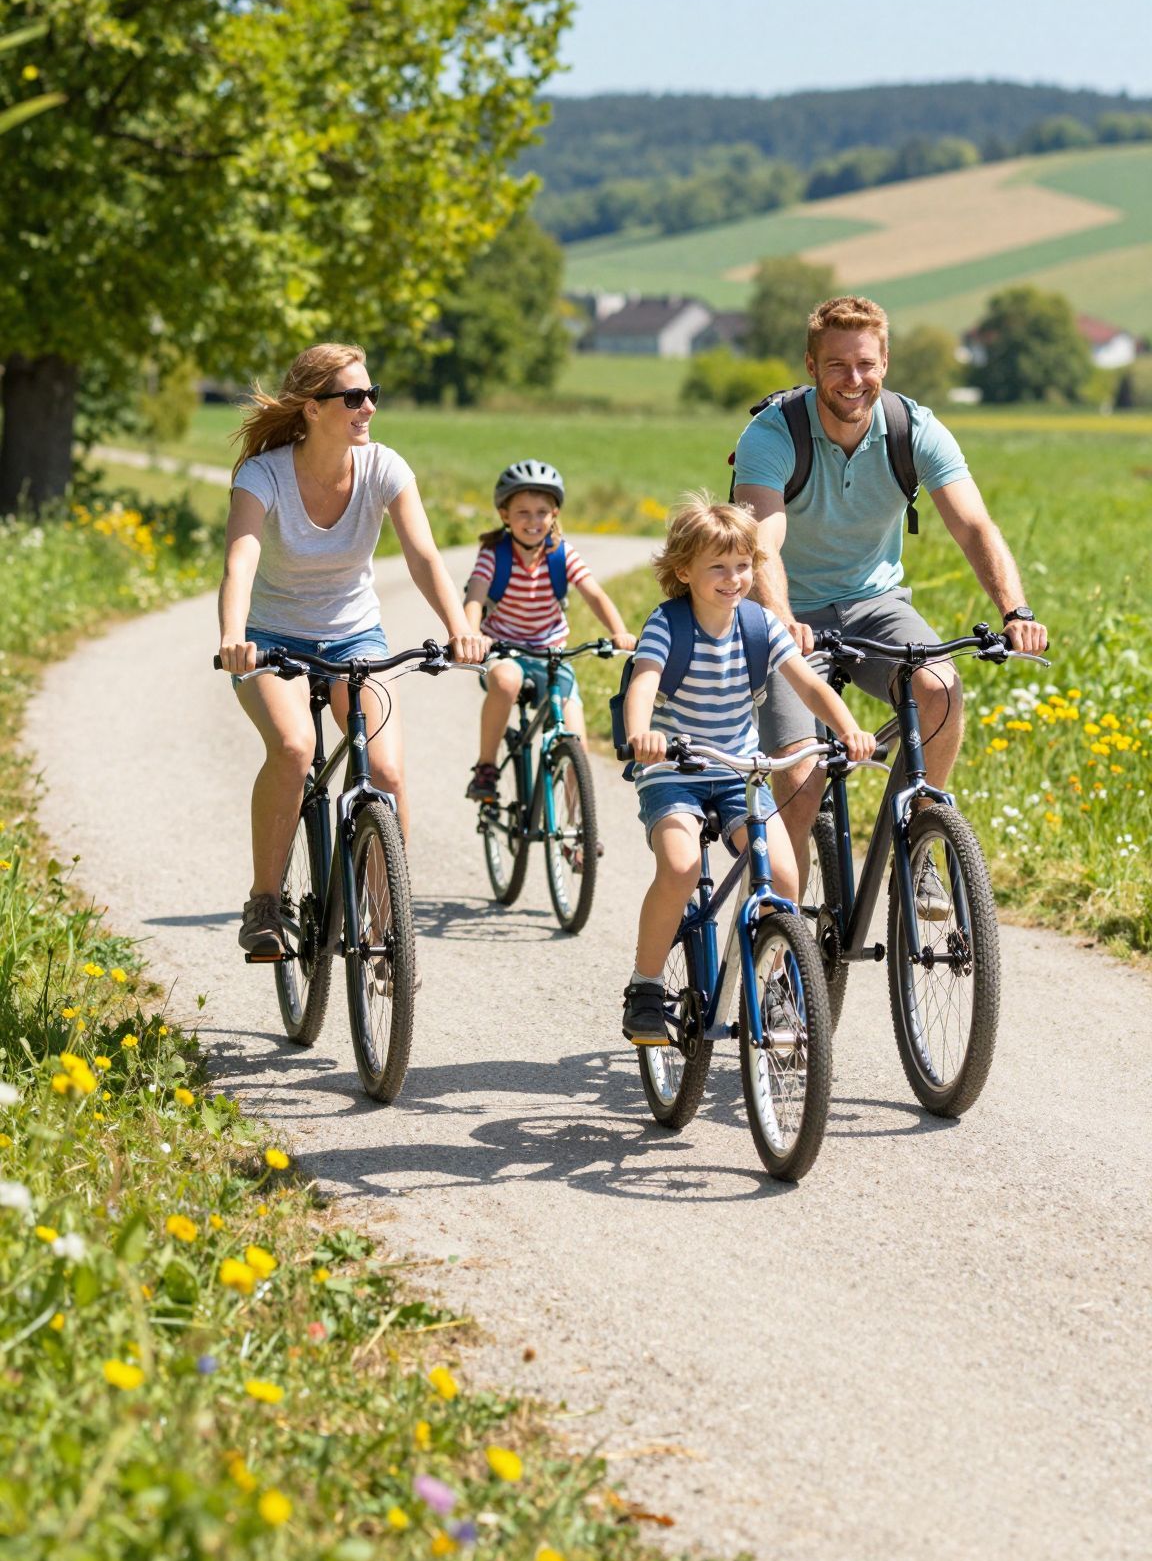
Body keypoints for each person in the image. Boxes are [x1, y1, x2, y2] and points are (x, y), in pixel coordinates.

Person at [732, 294, 1049, 909]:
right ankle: (777, 951)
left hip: (874, 605)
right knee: (799, 780)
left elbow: (974, 527)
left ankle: (920, 840)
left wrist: (1016, 611)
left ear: (885, 363)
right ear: (811, 366)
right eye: (837, 366)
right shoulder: (772, 435)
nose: (854, 380)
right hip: (786, 612)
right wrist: (783, 621)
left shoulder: (913, 429)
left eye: (866, 364)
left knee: (941, 686)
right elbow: (762, 545)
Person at [217, 342, 486, 958]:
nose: (368, 407)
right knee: (293, 748)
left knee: (385, 772)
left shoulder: (385, 466)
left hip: (355, 637)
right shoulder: (264, 475)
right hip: (271, 640)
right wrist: (234, 635)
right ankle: (265, 903)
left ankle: (389, 928)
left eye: (373, 395)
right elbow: (242, 558)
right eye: (354, 397)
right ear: (312, 409)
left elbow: (422, 555)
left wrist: (456, 625)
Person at [620, 495, 875, 1048]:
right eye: (718, 567)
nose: (733, 578)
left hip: (741, 769)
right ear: (684, 571)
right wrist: (643, 734)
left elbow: (807, 683)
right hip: (676, 768)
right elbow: (643, 681)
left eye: (743, 566)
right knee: (682, 864)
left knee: (783, 877)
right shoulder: (668, 624)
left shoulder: (760, 626)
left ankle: (776, 988)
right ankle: (644, 985)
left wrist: (849, 728)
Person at [462, 459, 635, 804]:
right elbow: (475, 597)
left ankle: (577, 836)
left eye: (541, 511)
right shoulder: (494, 554)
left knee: (577, 743)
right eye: (522, 512)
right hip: (503, 650)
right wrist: (470, 635)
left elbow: (594, 594)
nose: (533, 520)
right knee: (507, 682)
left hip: (551, 652)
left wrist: (620, 631)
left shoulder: (561, 554)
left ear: (554, 514)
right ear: (504, 515)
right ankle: (486, 767)